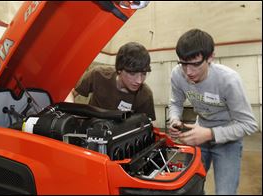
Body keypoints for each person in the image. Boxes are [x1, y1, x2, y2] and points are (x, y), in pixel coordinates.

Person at [168, 29, 258, 195]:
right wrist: (174, 119)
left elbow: (249, 125)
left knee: (225, 192)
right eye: (183, 63)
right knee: (187, 188)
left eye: (195, 64)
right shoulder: (177, 75)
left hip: (228, 139)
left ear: (210, 58)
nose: (188, 72)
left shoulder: (229, 80)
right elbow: (175, 102)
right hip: (198, 133)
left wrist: (210, 134)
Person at [65, 42, 156, 121]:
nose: (139, 81)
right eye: (132, 73)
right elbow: (70, 93)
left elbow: (146, 125)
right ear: (119, 69)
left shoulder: (145, 95)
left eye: (143, 73)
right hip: (90, 129)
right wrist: (70, 114)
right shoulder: (98, 75)